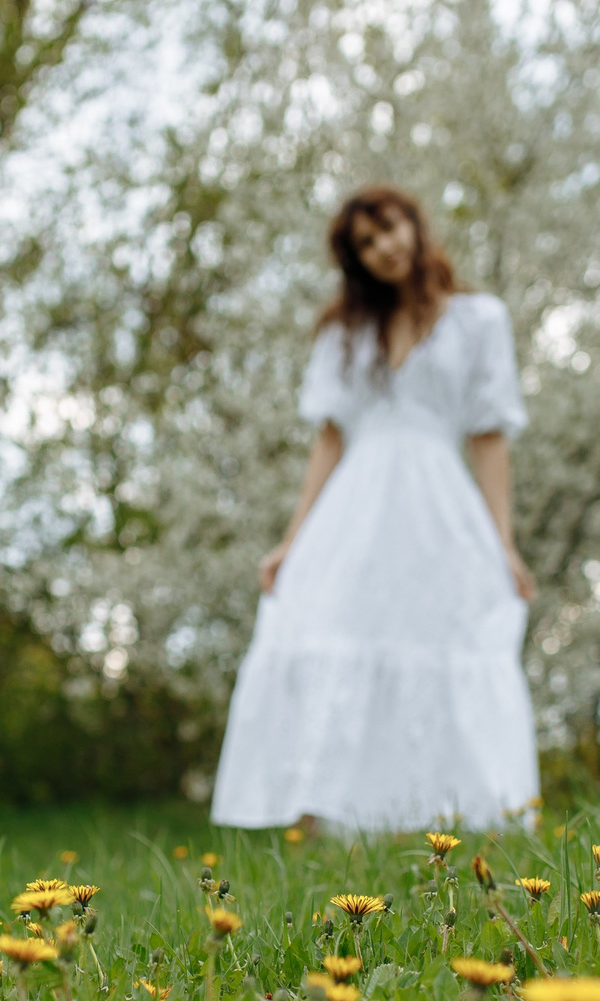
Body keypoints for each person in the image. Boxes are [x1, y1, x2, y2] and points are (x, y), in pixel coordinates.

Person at [208, 182, 541, 834]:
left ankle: (450, 816)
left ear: (415, 227)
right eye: (365, 242)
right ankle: (325, 810)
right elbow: (328, 438)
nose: (383, 247)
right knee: (331, 628)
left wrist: (502, 541)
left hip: (440, 506)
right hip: (354, 510)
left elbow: (490, 435)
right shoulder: (345, 335)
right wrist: (291, 540)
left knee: (445, 636)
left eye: (390, 229)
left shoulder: (480, 320)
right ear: (353, 260)